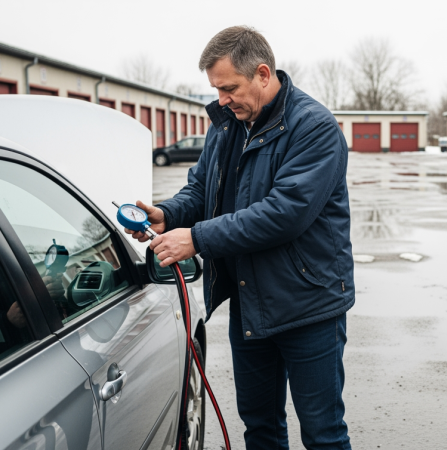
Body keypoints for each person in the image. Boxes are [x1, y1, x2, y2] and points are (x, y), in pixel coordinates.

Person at [125, 26, 353, 449]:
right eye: (216, 89)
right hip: (250, 303)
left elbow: (283, 214)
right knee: (260, 426)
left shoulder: (314, 127)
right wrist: (167, 213)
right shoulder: (226, 124)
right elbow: (201, 188)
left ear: (263, 74)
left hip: (309, 304)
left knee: (323, 431)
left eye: (229, 88)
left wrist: (195, 238)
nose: (221, 99)